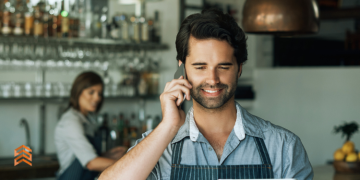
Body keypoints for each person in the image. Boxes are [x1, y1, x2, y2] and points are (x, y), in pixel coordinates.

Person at [99, 9, 313, 180]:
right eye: (200, 67)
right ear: (182, 69)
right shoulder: (160, 146)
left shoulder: (284, 146)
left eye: (224, 66)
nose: (212, 79)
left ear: (239, 69)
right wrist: (168, 127)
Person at [54, 71, 127, 180]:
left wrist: (109, 155)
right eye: (91, 92)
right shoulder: (71, 122)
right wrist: (128, 163)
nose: (97, 98)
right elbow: (91, 163)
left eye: (100, 93)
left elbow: (87, 155)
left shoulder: (86, 119)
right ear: (78, 92)